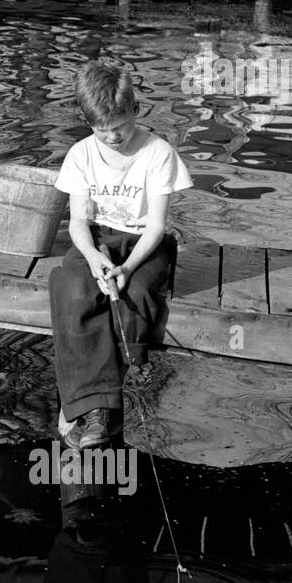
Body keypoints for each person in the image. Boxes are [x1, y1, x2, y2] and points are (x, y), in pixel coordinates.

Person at [47, 62, 193, 449]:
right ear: (86, 121)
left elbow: (157, 226)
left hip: (144, 245)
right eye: (101, 129)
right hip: (97, 241)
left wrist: (127, 268)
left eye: (120, 126)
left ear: (135, 110)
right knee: (74, 291)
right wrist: (96, 260)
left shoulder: (157, 152)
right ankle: (95, 411)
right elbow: (78, 222)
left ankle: (83, 405)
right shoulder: (80, 154)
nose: (112, 137)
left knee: (133, 298)